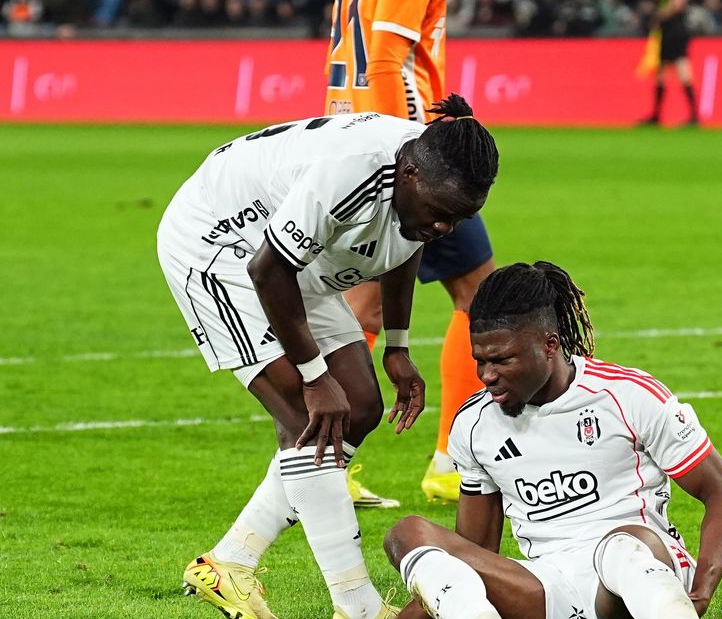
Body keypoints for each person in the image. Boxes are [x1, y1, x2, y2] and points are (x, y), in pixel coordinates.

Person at [159, 96, 499, 619]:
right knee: (307, 415)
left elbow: (403, 243)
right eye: (439, 213)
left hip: (289, 256)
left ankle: (229, 562)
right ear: (408, 175)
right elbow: (268, 269)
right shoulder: (349, 172)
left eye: (459, 219)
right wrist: (315, 376)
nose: (443, 229)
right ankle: (356, 606)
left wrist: (398, 346)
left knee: (359, 406)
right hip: (221, 246)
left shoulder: (422, 179)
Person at [381, 261, 722, 619]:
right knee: (408, 532)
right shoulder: (474, 424)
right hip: (550, 589)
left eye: (502, 360)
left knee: (622, 548)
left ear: (549, 345)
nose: (487, 375)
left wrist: (702, 590)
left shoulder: (628, 395)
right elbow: (472, 554)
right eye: (480, 360)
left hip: (638, 575)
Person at [324, 0, 496, 507]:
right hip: (407, 162)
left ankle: (327, 461)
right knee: (478, 293)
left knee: (363, 311)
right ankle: (451, 462)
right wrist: (410, 153)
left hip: (355, 142)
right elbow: (387, 61)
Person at [640, 0, 699, 126]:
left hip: (675, 29)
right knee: (662, 71)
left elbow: (679, 3)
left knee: (681, 68)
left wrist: (659, 15)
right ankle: (658, 114)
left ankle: (693, 115)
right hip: (669, 29)